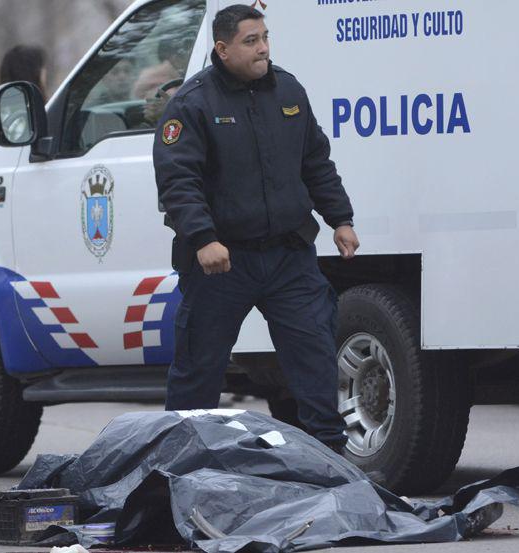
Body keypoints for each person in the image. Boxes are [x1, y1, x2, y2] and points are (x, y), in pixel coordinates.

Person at [153, 5, 361, 454]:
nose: (263, 48)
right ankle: (179, 467)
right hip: (221, 263)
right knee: (198, 370)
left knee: (315, 358)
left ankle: (331, 463)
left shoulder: (288, 90)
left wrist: (339, 219)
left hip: (288, 257)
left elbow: (315, 161)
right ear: (222, 49)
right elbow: (178, 181)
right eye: (251, 41)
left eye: (265, 37)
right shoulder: (192, 104)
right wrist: (204, 238)